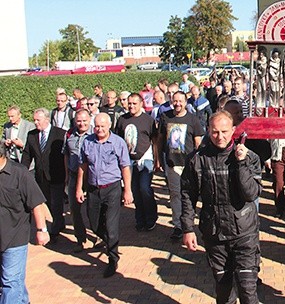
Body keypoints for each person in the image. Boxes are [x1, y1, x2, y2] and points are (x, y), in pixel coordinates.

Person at [181, 111, 262, 304]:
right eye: (215, 132)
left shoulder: (250, 158)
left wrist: (241, 164)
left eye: (224, 131)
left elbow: (251, 193)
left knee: (248, 290)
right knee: (224, 291)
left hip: (244, 232)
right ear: (208, 131)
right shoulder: (197, 159)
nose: (220, 136)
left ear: (234, 130)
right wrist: (187, 228)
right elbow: (187, 194)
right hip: (214, 232)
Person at [76, 113, 133, 278]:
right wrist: (79, 188)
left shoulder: (117, 143)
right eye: (97, 126)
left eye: (102, 126)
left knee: (111, 225)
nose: (99, 129)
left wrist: (127, 190)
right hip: (94, 189)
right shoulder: (88, 142)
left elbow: (125, 167)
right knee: (93, 224)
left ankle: (112, 259)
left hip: (112, 188)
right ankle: (110, 242)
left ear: (109, 126)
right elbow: (83, 166)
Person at [0, 142, 50, 303]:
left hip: (16, 237)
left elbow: (36, 202)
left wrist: (42, 229)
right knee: (11, 281)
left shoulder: (19, 173)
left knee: (10, 281)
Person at [157, 91, 203, 239]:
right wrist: (159, 158)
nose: (177, 104)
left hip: (188, 165)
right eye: (175, 101)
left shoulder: (193, 119)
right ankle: (178, 225)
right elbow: (160, 139)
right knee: (175, 195)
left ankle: (190, 224)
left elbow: (198, 143)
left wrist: (198, 163)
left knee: (190, 195)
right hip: (172, 163)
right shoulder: (166, 117)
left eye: (180, 101)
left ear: (185, 102)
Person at [21, 108, 67, 243]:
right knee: (46, 203)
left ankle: (55, 232)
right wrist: (22, 173)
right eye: (34, 120)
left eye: (38, 120)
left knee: (56, 204)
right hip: (41, 178)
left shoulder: (60, 134)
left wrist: (67, 175)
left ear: (47, 119)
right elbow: (27, 156)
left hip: (57, 175)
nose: (35, 122)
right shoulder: (32, 135)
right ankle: (58, 223)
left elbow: (65, 155)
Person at [115, 93, 159, 232]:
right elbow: (118, 140)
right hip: (128, 161)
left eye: (134, 103)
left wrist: (157, 160)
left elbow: (155, 141)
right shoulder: (122, 119)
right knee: (135, 190)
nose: (131, 106)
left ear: (141, 104)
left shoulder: (148, 120)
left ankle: (151, 217)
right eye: (130, 103)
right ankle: (140, 219)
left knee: (144, 188)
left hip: (145, 159)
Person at [62, 109, 93, 252]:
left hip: (92, 176)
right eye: (79, 121)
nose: (82, 123)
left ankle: (99, 236)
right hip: (74, 175)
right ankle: (80, 238)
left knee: (94, 208)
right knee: (74, 208)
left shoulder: (96, 133)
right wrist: (67, 174)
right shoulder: (69, 134)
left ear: (90, 119)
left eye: (84, 120)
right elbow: (66, 155)